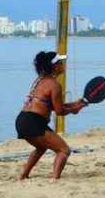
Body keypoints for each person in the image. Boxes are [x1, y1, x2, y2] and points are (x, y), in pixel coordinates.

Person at [16, 51, 86, 180]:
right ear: (55, 66)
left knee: (41, 147)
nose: (64, 65)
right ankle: (55, 179)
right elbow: (59, 111)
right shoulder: (55, 85)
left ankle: (23, 176)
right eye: (61, 63)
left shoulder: (40, 80)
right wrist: (73, 110)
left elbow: (52, 105)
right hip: (34, 122)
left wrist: (74, 104)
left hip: (22, 120)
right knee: (64, 150)